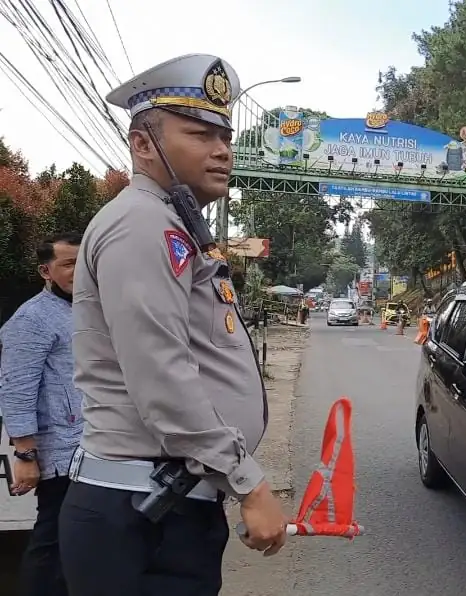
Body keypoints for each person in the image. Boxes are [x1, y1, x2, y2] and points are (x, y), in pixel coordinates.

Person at [60, 54, 287, 596]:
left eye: (225, 136)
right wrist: (249, 484)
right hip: (140, 514)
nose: (222, 150)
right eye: (199, 133)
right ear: (143, 145)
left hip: (162, 508)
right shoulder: (141, 225)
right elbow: (162, 375)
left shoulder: (171, 223)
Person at [0, 233, 83, 596]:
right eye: (68, 264)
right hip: (60, 454)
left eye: (84, 261)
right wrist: (25, 453)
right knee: (52, 543)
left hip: (95, 447)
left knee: (80, 544)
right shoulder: (32, 318)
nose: (78, 271)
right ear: (45, 271)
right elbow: (16, 389)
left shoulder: (90, 309)